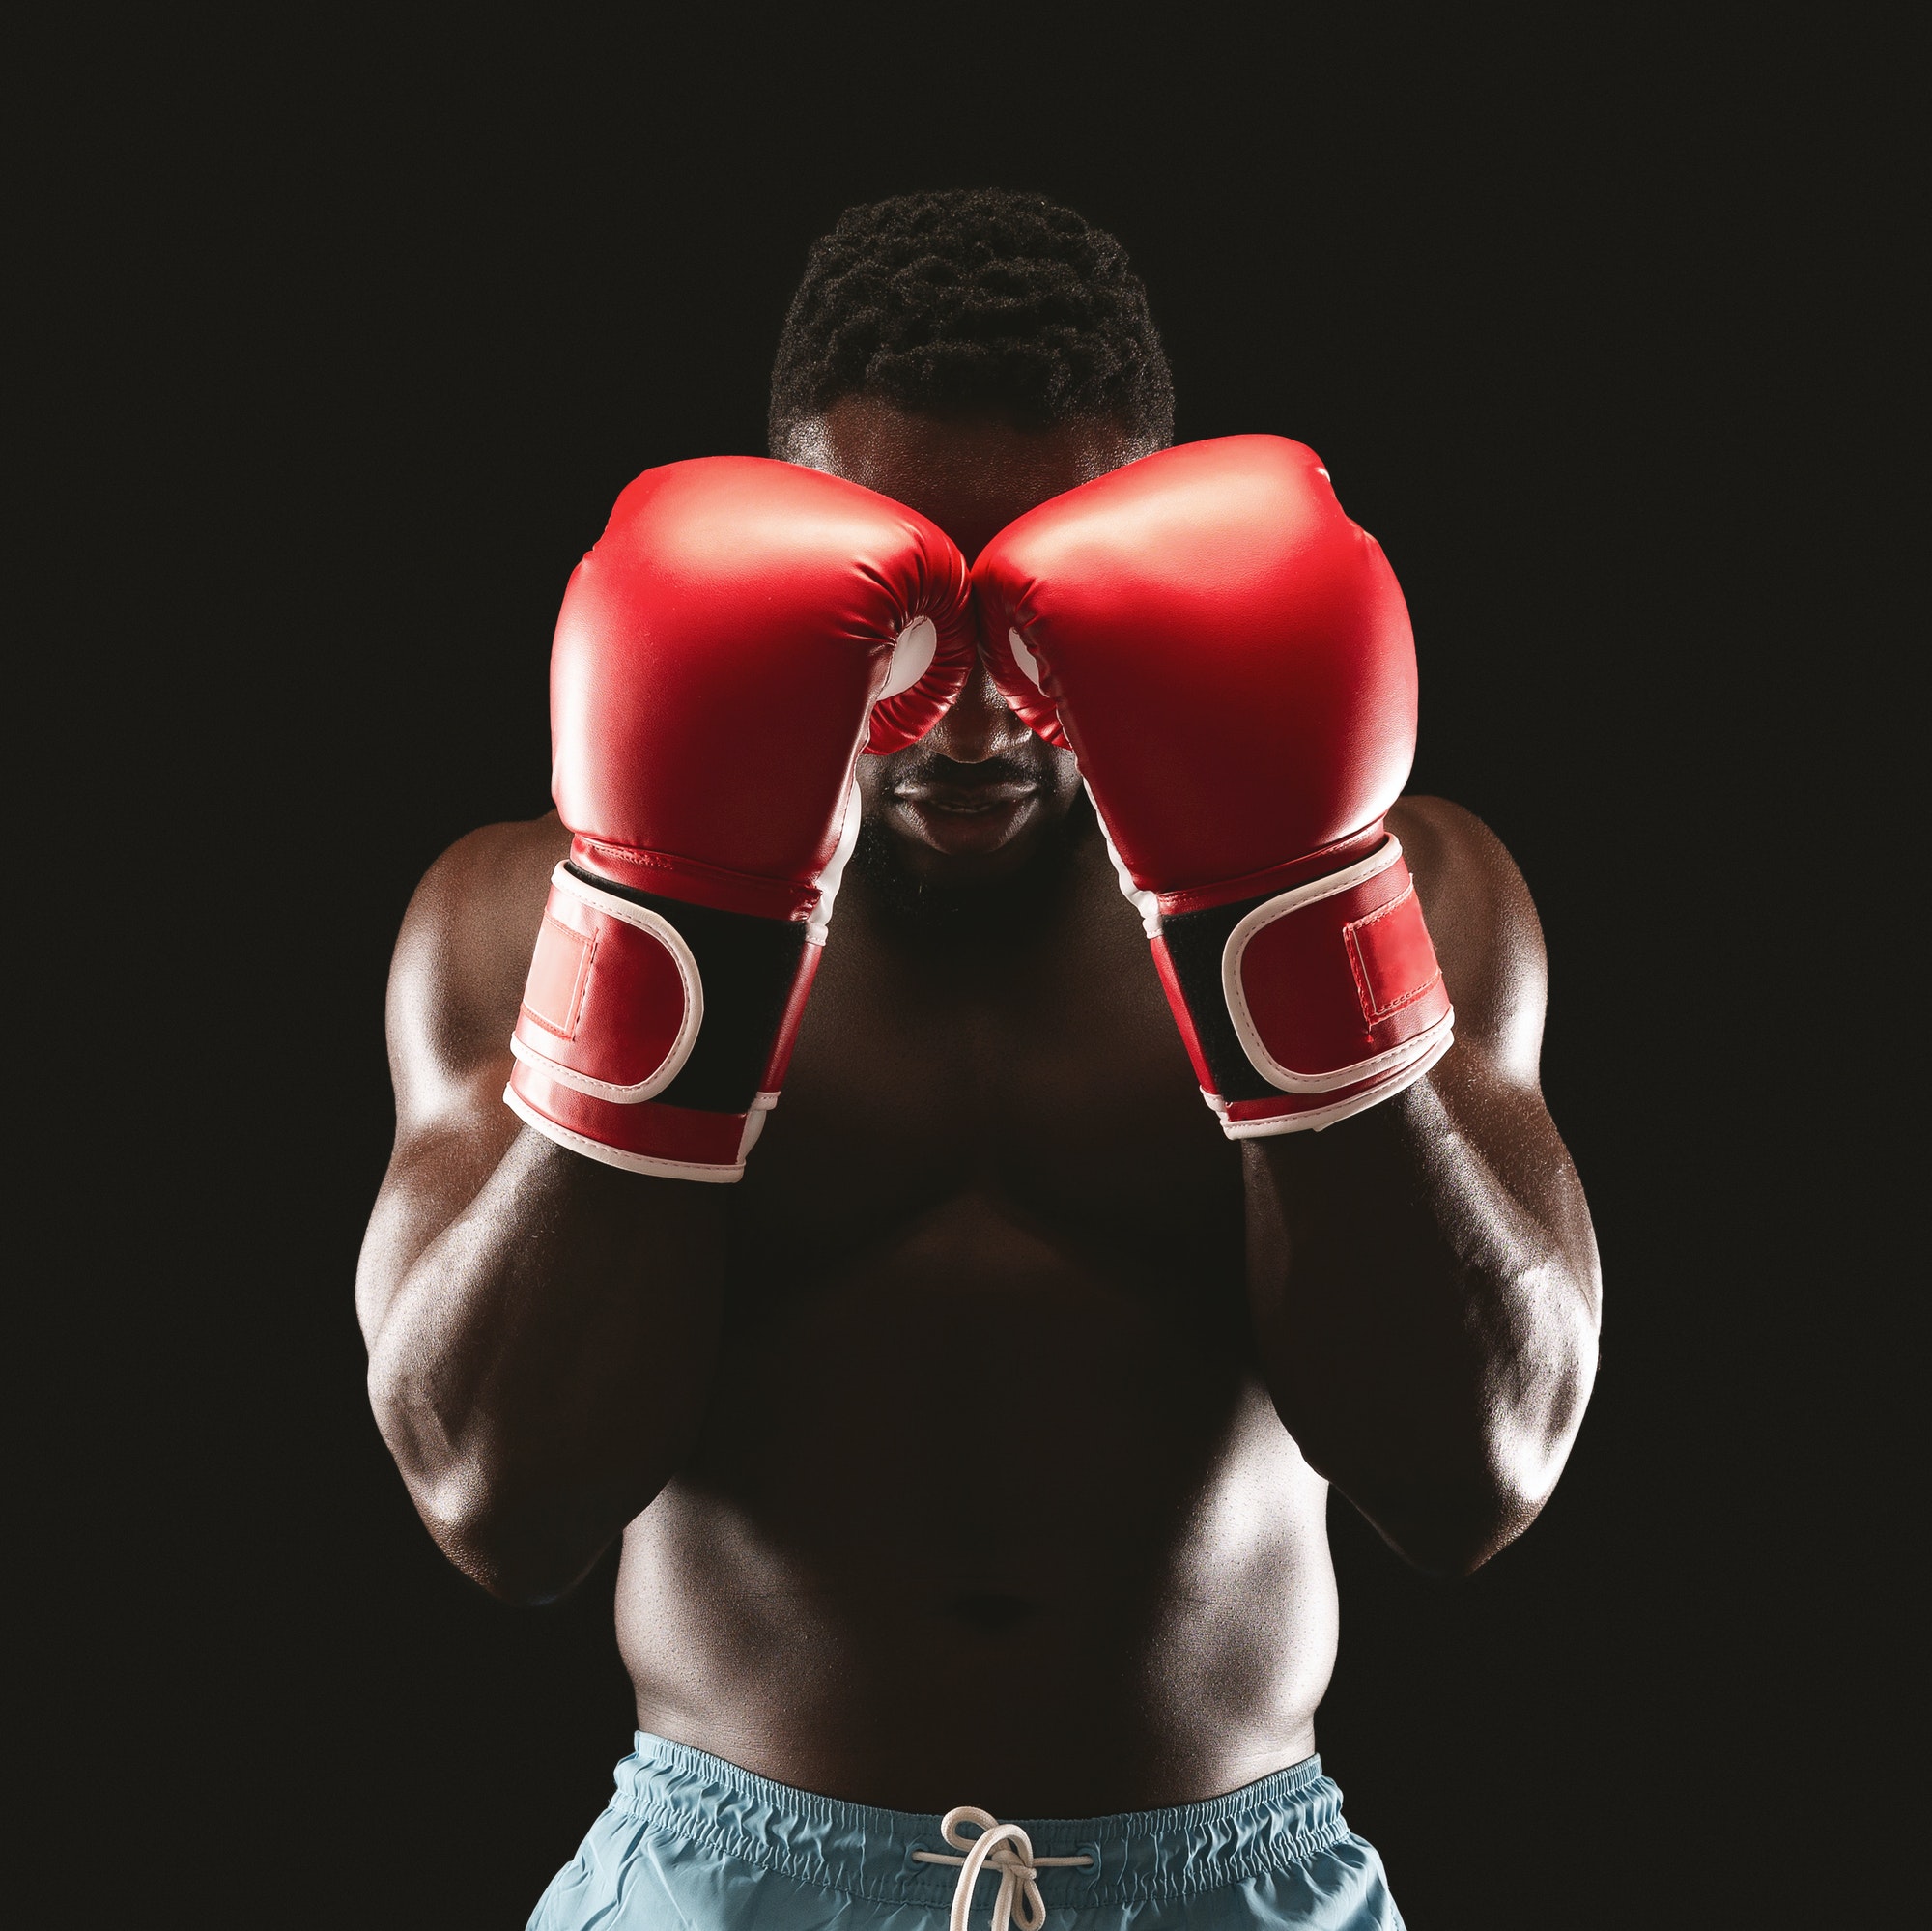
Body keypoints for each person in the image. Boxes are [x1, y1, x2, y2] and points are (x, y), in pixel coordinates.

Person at [356, 188, 1601, 1930]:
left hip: (1227, 1884)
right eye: (909, 610)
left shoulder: (1415, 888)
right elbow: (497, 1504)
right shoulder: (522, 915)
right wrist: (676, 945)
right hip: (721, 1887)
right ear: (781, 536)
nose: (975, 710)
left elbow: (1483, 1476)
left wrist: (1289, 919)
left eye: (1038, 614)